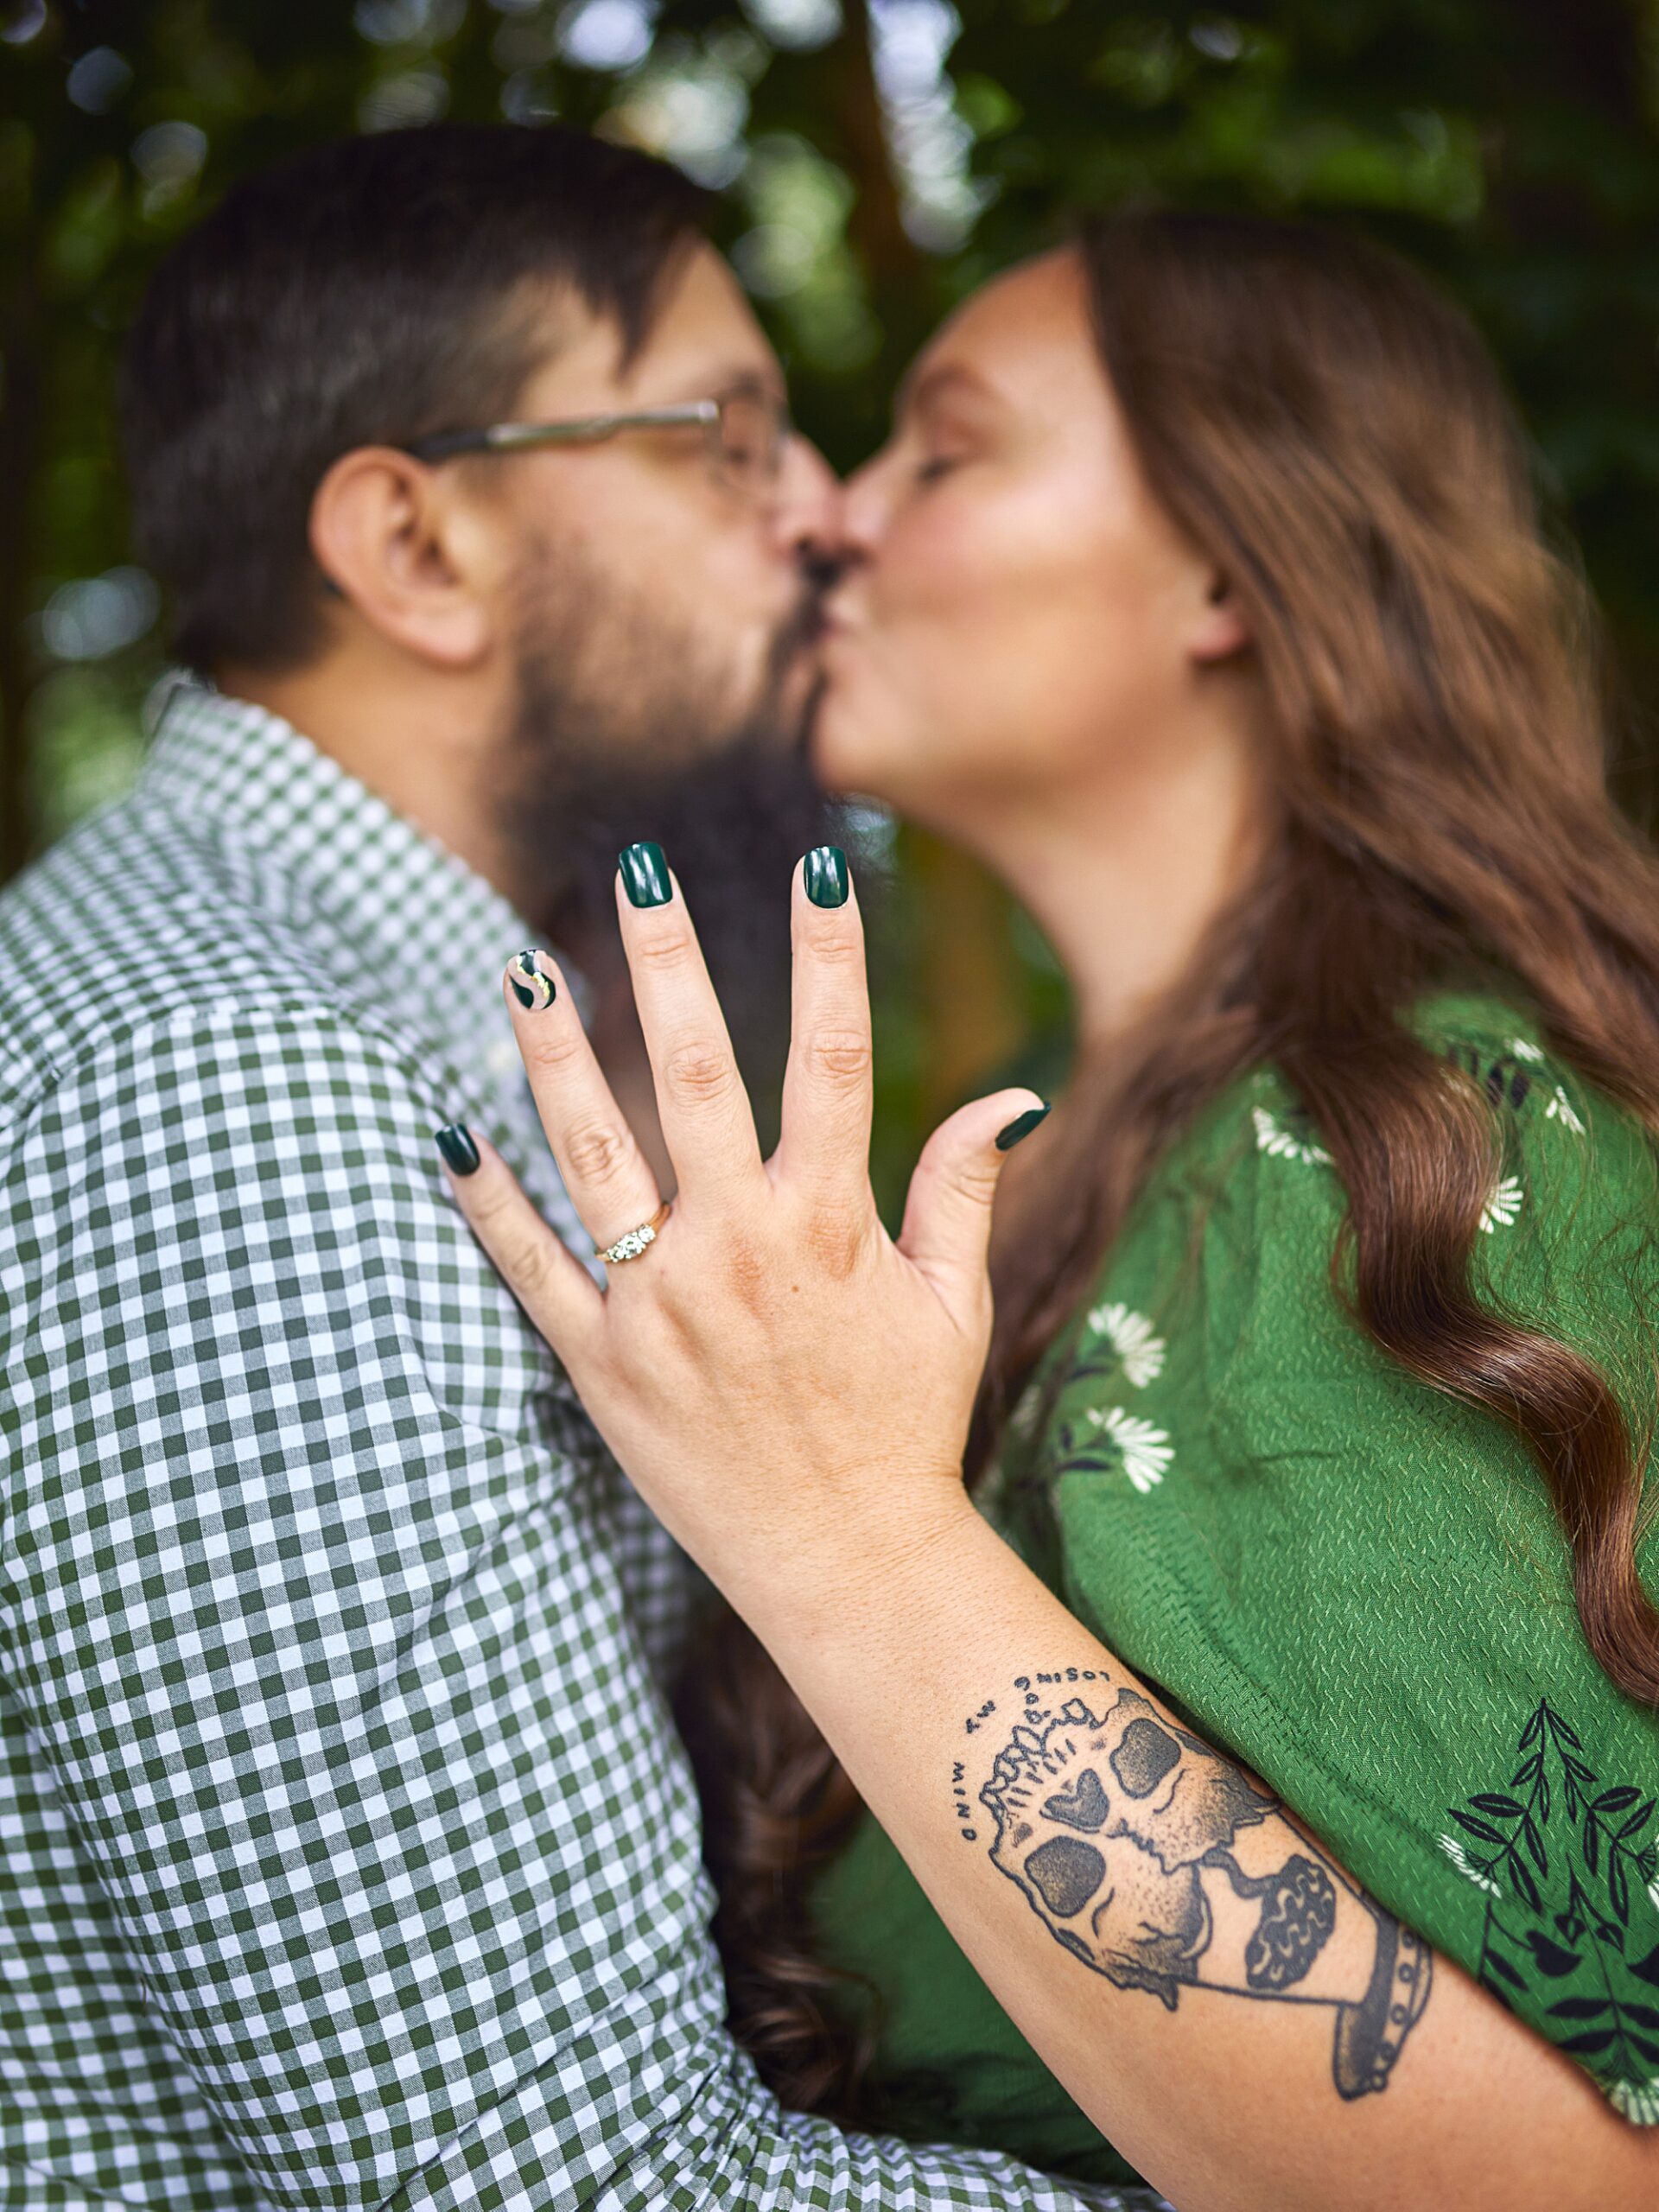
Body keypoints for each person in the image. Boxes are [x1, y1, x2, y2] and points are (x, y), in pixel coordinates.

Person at [442, 212, 1659, 2209]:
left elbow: (1560, 2183)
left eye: (948, 446)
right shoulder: (1092, 1162)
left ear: (1217, 563)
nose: (831, 514)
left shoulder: (1430, 1136)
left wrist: (841, 1528)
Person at [0, 124, 1157, 2212]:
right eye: (723, 435)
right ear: (416, 546)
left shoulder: (379, 1010)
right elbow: (567, 2180)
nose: (820, 516)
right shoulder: (237, 1090)